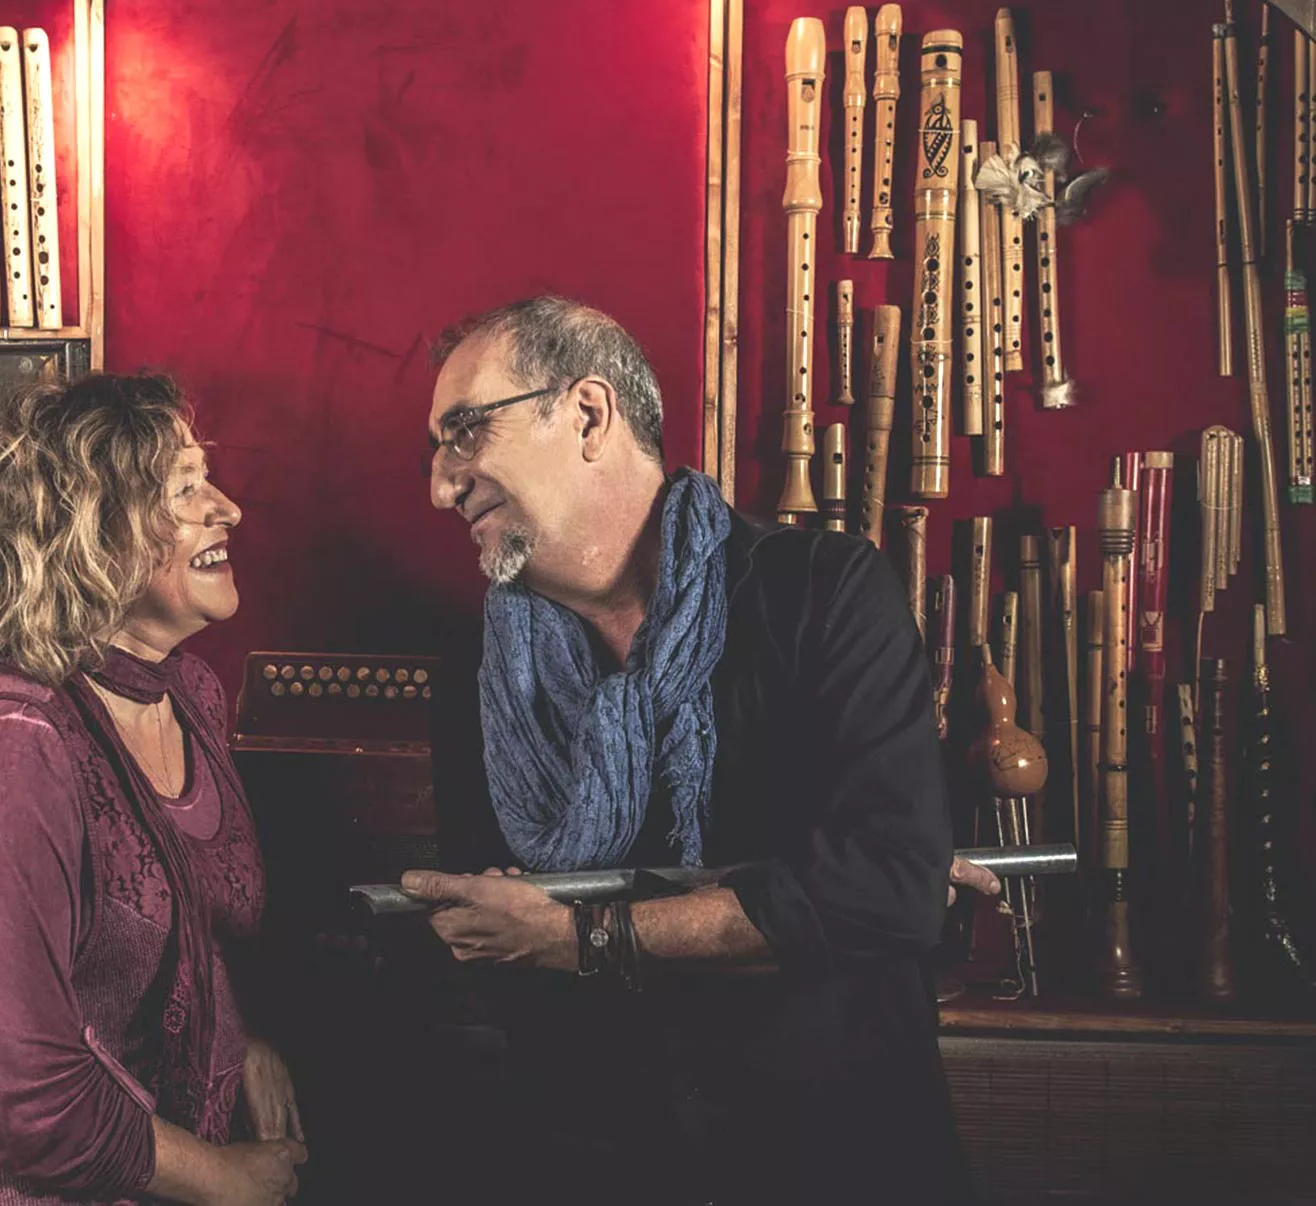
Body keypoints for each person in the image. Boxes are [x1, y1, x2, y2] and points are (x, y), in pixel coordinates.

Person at [402, 297, 999, 1205]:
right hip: (596, 1162)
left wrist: (580, 936)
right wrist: (800, 893)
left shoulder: (823, 593)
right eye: (435, 453)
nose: (442, 488)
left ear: (589, 415)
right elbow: (493, 935)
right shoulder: (479, 674)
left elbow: (886, 892)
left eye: (466, 433)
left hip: (835, 1160)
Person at [0, 374, 307, 1206]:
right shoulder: (14, 746)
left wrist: (248, 1041)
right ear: (90, 533)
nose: (228, 509)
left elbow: (193, 923)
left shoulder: (191, 695)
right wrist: (223, 1178)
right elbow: (17, 1094)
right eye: (184, 489)